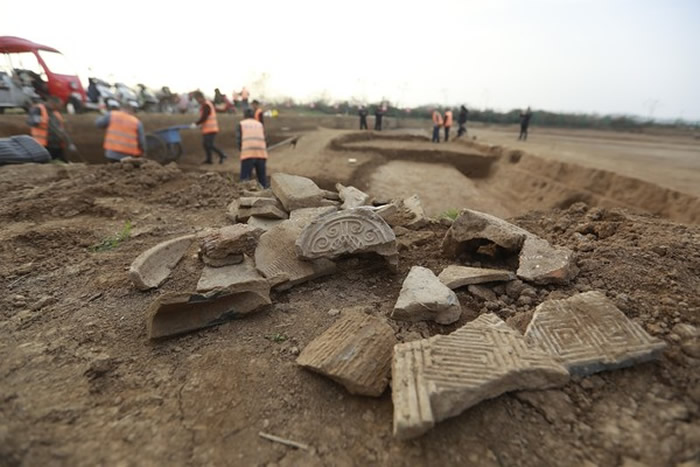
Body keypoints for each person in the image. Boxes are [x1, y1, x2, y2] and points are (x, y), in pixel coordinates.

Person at [27, 96, 76, 162]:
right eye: (59, 105)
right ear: (53, 104)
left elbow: (61, 129)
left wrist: (70, 143)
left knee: (62, 161)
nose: (61, 107)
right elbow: (31, 122)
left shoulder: (55, 113)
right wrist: (37, 120)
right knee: (44, 163)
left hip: (56, 144)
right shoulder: (38, 109)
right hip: (44, 144)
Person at [191, 90, 227, 164]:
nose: (197, 101)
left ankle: (222, 155)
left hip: (211, 129)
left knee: (209, 145)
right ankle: (209, 159)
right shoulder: (207, 104)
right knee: (206, 144)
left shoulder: (206, 105)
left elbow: (204, 117)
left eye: (197, 99)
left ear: (200, 97)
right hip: (208, 129)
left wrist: (196, 124)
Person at [236, 108, 268, 188]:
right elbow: (265, 138)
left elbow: (239, 140)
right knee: (262, 179)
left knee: (245, 180)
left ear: (244, 115)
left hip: (247, 154)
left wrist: (241, 150)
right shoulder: (259, 124)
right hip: (261, 154)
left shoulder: (241, 124)